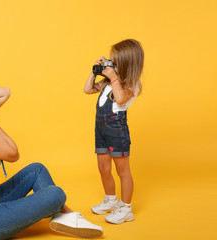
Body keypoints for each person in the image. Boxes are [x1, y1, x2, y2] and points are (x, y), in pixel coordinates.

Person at [0, 64, 103, 240]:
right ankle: (68, 217)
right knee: (56, 194)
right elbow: (13, 154)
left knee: (36, 170)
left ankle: (66, 217)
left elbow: (5, 92)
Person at [83, 39, 144, 224]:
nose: (111, 64)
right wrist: (95, 70)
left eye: (114, 62)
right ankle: (111, 200)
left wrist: (114, 78)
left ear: (126, 64)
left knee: (122, 170)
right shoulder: (107, 83)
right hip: (101, 128)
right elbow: (87, 89)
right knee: (103, 168)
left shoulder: (131, 86)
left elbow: (119, 99)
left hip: (116, 128)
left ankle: (125, 208)